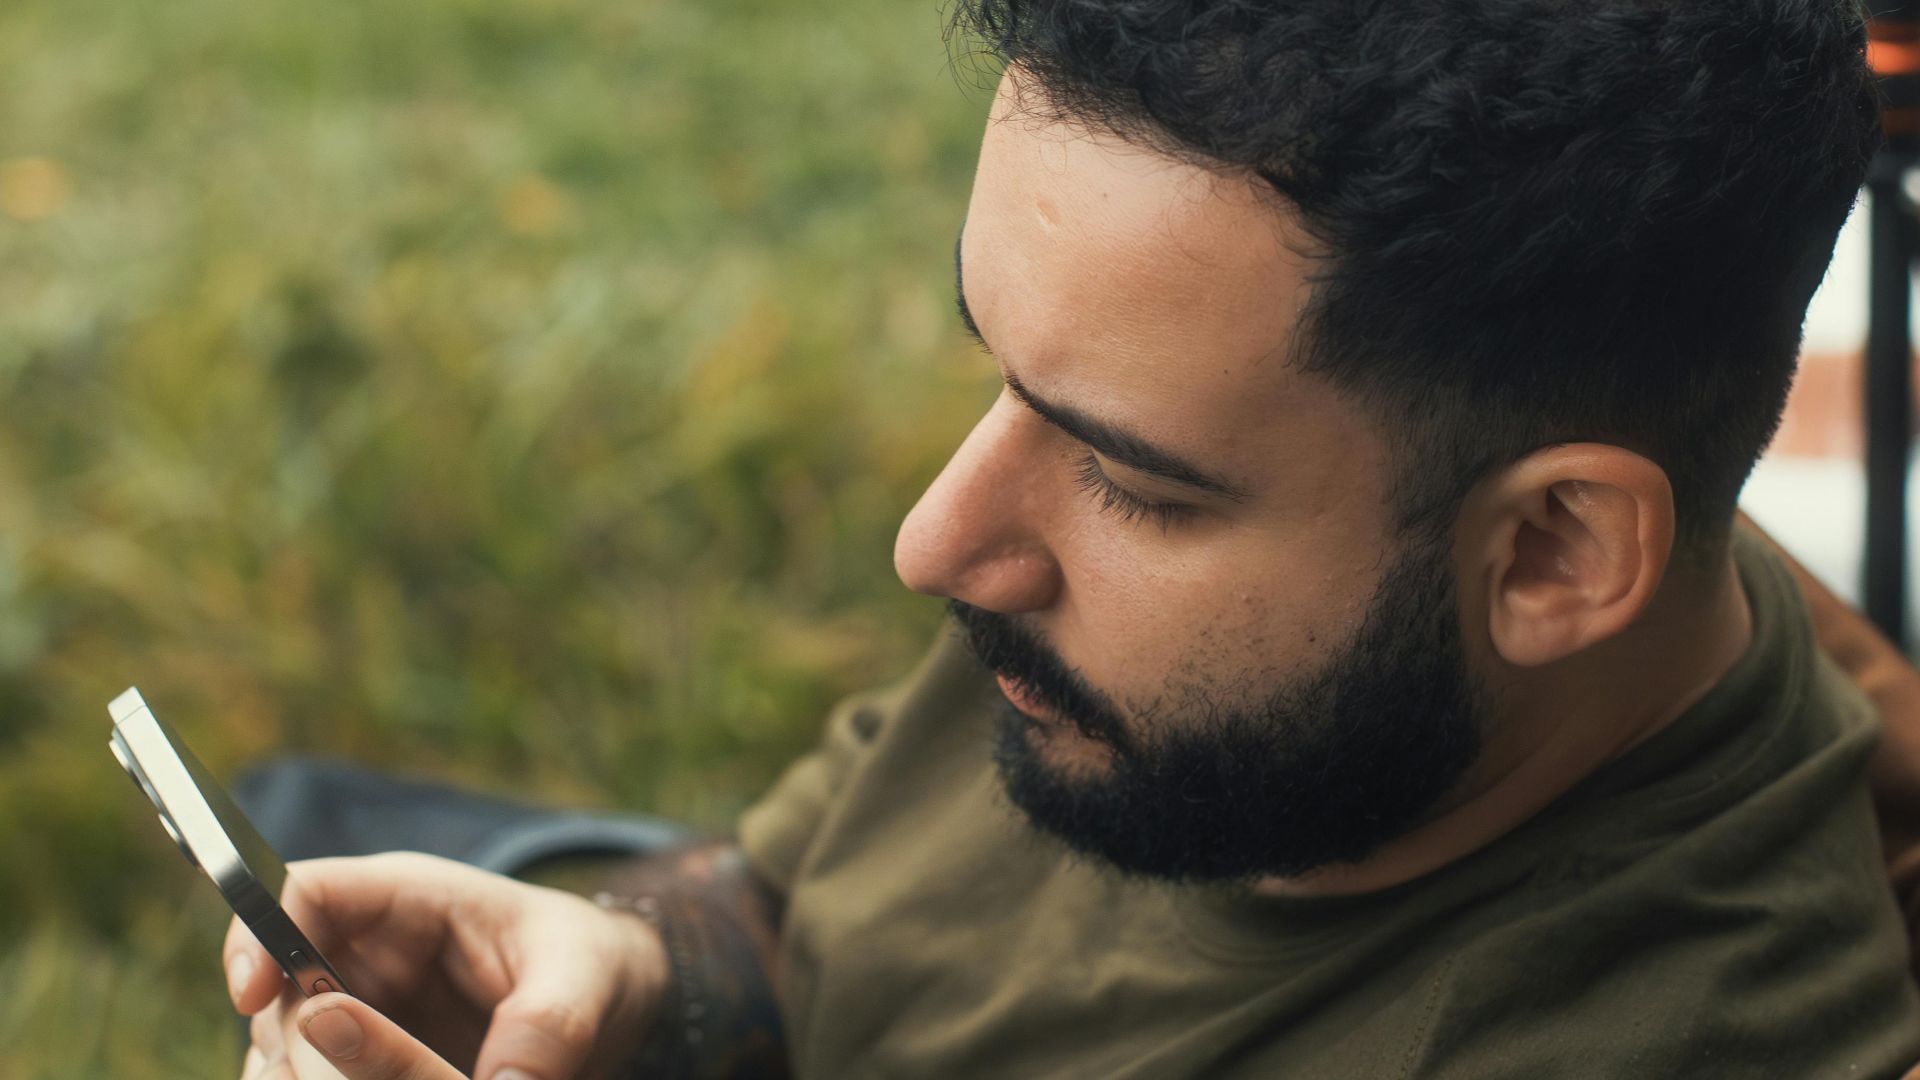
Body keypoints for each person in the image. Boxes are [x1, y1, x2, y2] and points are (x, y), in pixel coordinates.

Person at [226, 0, 1920, 1077]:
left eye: (1137, 484)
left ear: (1555, 555)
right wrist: (623, 976)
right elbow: (806, 912)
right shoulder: (1237, 643)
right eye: (1003, 373)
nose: (940, 542)